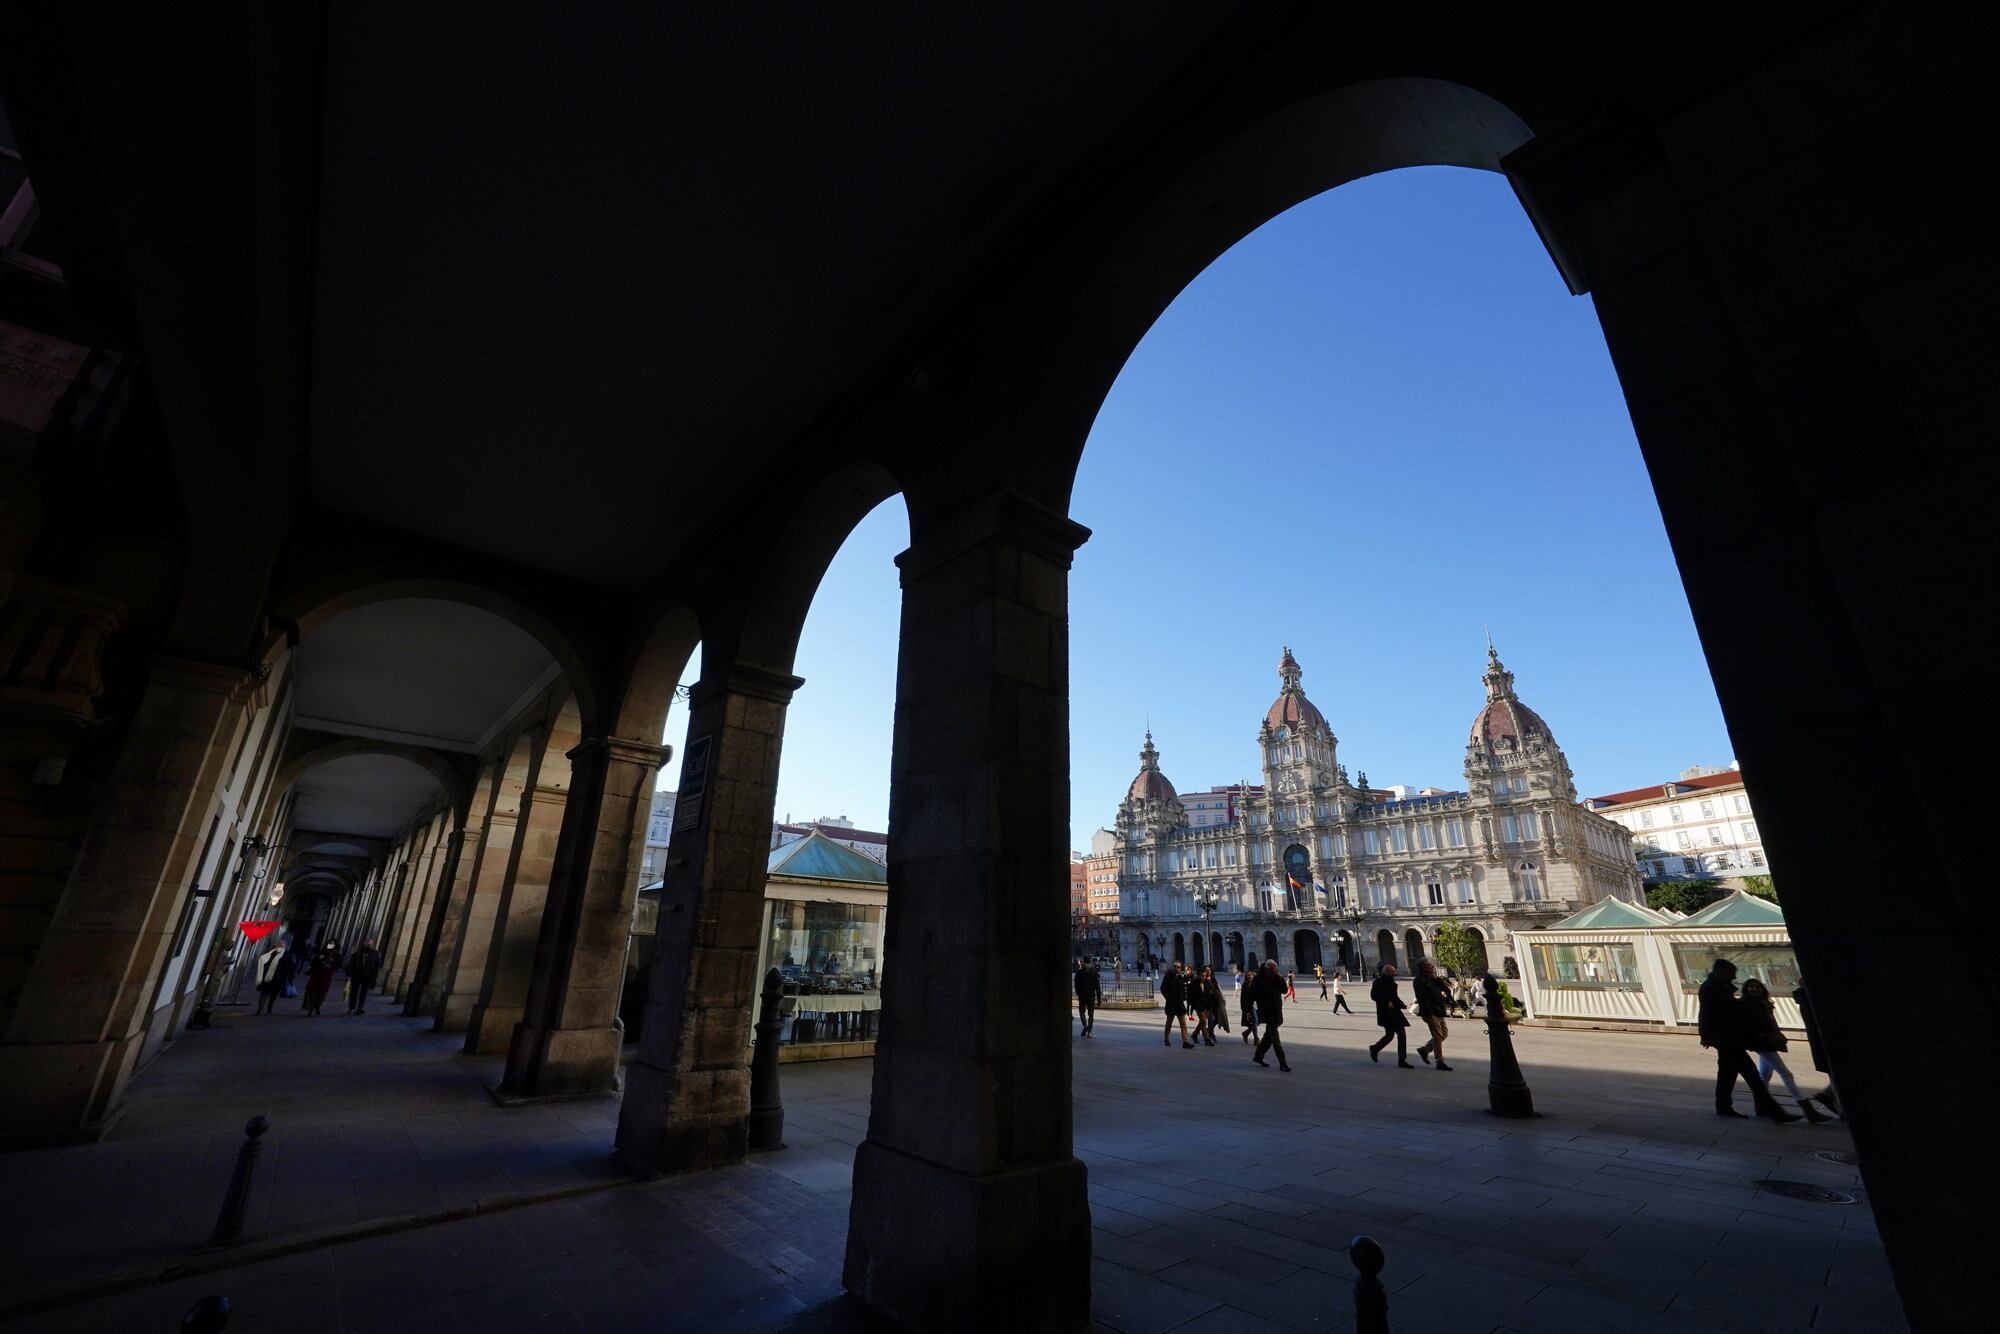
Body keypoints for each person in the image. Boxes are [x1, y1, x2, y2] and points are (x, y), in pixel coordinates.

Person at [1698, 959, 1798, 1121]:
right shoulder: (1711, 989)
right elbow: (1706, 1014)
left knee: (1727, 1074)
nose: (1733, 979)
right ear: (1722, 972)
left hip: (1728, 1038)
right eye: (1731, 976)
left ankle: (1723, 1106)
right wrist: (1705, 1035)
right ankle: (1775, 1112)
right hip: (1727, 1039)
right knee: (1752, 1076)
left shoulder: (1717, 987)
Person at [1742, 978, 1831, 1122]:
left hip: (1767, 1042)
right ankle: (1807, 1109)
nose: (1754, 989)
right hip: (1762, 1042)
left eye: (1757, 986)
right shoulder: (1746, 1005)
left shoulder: (1763, 1004)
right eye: (1751, 987)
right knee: (1786, 1074)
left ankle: (1760, 1105)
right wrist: (1758, 1037)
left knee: (1765, 1074)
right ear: (1746, 990)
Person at [1791, 981, 1841, 1117]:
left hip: (1821, 1043)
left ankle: (1829, 1097)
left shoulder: (1805, 999)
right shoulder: (1810, 1000)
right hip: (1826, 1043)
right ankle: (1834, 1102)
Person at [1246, 959, 1291, 1071]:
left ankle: (1258, 1056)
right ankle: (1282, 1063)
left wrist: (1279, 977)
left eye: (1276, 969)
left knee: (1269, 1036)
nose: (1275, 970)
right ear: (1268, 968)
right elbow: (1251, 996)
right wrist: (1248, 1011)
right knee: (1275, 1037)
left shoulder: (1276, 977)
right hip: (1265, 1011)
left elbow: (1285, 990)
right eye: (1273, 969)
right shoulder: (1258, 978)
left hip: (1276, 1010)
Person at [1367, 964, 1412, 1067]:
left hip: (1395, 1012)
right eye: (1392, 972)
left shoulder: (1392, 983)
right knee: (1390, 1035)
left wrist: (1401, 1004)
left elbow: (1394, 997)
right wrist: (1386, 1002)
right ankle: (1375, 1049)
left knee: (1401, 1035)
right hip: (1385, 1013)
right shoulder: (1378, 983)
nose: (1395, 974)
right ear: (1386, 972)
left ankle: (1402, 1060)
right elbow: (1373, 996)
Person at [1412, 960, 1454, 1071]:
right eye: (1429, 966)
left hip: (1439, 1010)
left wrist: (1438, 979)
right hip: (1430, 1012)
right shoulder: (1419, 980)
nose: (1432, 968)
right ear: (1423, 968)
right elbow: (1422, 998)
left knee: (1443, 1034)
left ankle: (1425, 1050)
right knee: (1437, 1036)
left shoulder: (1433, 979)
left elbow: (1446, 990)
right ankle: (1439, 1061)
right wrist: (1429, 1013)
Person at [253, 939, 295, 1015]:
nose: (279, 947)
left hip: (278, 979)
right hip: (268, 978)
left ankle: (269, 1006)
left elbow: (291, 967)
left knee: (273, 995)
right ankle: (260, 1008)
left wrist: (291, 977)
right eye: (278, 945)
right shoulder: (271, 953)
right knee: (264, 993)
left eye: (281, 945)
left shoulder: (287, 955)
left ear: (285, 946)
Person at [344, 939, 384, 1015]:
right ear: (363, 944)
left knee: (363, 993)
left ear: (372, 945)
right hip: (357, 975)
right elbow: (350, 965)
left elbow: (377, 966)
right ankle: (352, 1007)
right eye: (366, 944)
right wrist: (348, 975)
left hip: (368, 976)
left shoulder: (375, 954)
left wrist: (373, 977)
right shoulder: (357, 953)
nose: (368, 945)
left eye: (369, 944)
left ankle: (360, 1008)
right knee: (354, 992)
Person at [1161, 961, 1194, 1048]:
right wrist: (1168, 998)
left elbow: (1183, 989)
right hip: (1171, 1003)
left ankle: (1185, 1041)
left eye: (1178, 967)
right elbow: (1162, 988)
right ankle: (1167, 1038)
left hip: (1179, 1004)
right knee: (1169, 1022)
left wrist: (1183, 998)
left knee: (1183, 1023)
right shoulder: (1168, 977)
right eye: (1175, 966)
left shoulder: (1180, 977)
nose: (1176, 968)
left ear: (1180, 968)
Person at [302, 946, 338, 1016]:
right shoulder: (321, 954)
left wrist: (331, 970)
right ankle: (311, 1007)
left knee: (321, 993)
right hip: (317, 976)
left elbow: (336, 965)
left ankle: (317, 1006)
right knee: (312, 992)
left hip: (326, 977)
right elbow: (313, 963)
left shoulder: (335, 957)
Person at [1074, 958, 1101, 1038]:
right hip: (1091, 996)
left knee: (1082, 1012)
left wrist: (1078, 994)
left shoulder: (1079, 972)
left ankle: (1085, 1026)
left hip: (1082, 996)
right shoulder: (1094, 971)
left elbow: (1076, 985)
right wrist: (1099, 998)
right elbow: (1097, 986)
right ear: (1090, 962)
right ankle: (1089, 1032)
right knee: (1091, 1014)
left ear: (1083, 962)